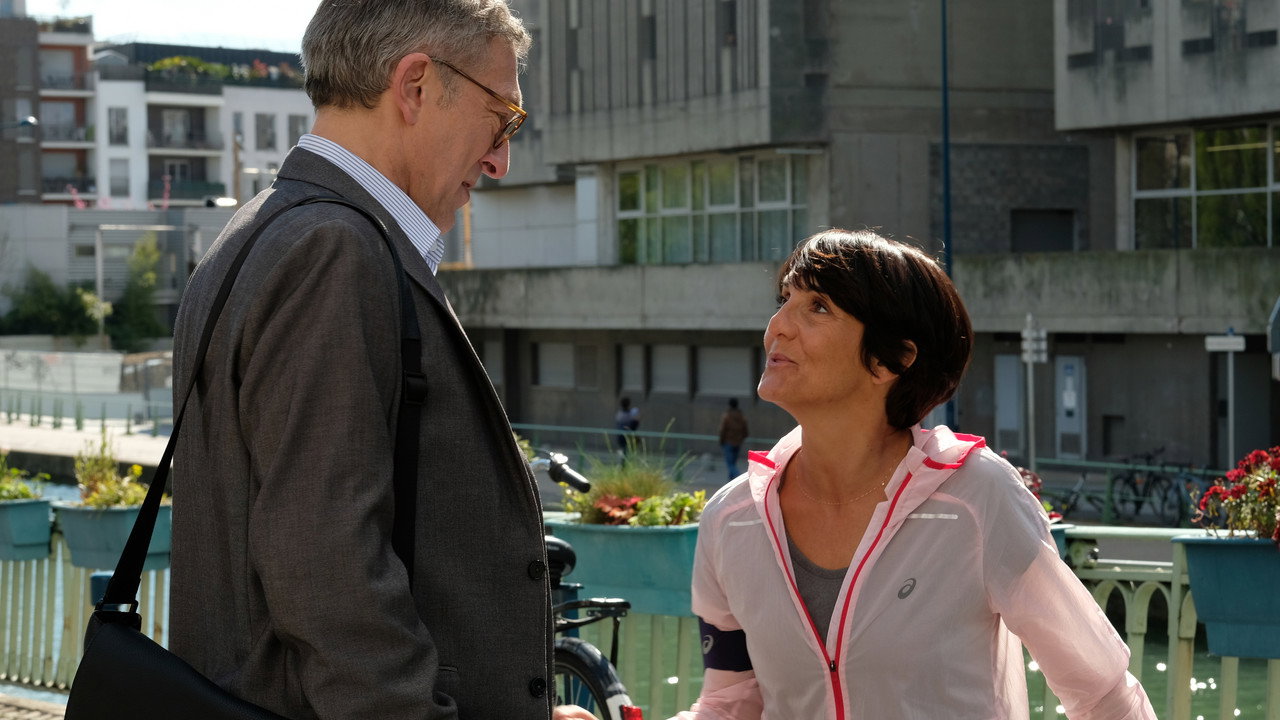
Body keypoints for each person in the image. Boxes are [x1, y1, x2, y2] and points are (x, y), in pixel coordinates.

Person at [169, 3, 592, 718]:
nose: (500, 159)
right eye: (502, 119)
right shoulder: (335, 250)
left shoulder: (262, 232)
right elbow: (327, 569)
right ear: (417, 86)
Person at [673, 230, 1156, 719]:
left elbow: (1103, 695)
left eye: (817, 307)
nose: (777, 326)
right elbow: (729, 703)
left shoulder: (977, 496)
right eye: (784, 301)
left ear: (892, 360)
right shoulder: (731, 518)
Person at [717, 398, 749, 480]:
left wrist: (721, 440)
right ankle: (731, 480)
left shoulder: (727, 416)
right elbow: (745, 429)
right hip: (738, 442)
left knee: (730, 464)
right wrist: (742, 437)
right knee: (733, 462)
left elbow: (722, 430)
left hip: (728, 442)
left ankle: (738, 478)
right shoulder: (741, 416)